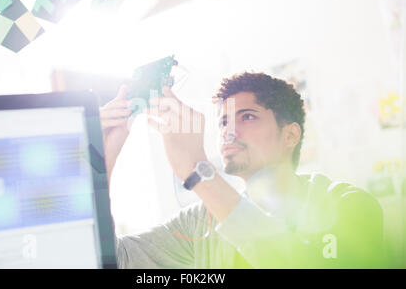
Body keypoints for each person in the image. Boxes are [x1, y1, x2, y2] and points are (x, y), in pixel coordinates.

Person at [100, 72, 385, 268]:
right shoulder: (200, 223)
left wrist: (198, 173)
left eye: (247, 117)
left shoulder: (350, 205)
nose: (228, 132)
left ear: (290, 135)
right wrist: (101, 165)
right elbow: (119, 262)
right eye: (223, 122)